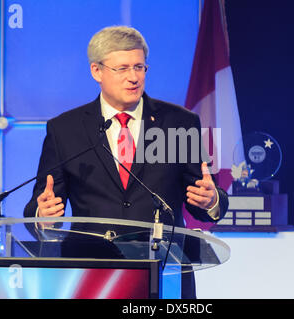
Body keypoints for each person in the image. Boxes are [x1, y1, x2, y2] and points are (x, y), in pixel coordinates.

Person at [24, 26, 229, 298]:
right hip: (90, 275)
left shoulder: (178, 123)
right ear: (96, 71)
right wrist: (42, 216)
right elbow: (42, 201)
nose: (134, 77)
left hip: (163, 273)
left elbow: (206, 199)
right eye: (122, 69)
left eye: (139, 67)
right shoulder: (65, 129)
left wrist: (211, 201)